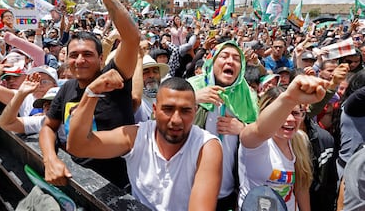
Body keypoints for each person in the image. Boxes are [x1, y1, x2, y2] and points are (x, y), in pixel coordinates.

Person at [39, 0, 140, 188]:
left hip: (118, 188)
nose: (79, 60)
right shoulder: (66, 90)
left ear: (101, 59)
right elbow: (48, 127)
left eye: (87, 54)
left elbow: (132, 38)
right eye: (73, 55)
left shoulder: (114, 78)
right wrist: (50, 159)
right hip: (76, 183)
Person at [67, 75, 222, 210]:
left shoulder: (206, 146)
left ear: (195, 111)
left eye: (185, 111)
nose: (176, 120)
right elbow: (78, 146)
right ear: (154, 110)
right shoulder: (137, 136)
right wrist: (91, 92)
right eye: (168, 109)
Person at [238, 75, 330, 211]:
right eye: (284, 113)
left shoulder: (300, 140)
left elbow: (301, 188)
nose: (291, 119)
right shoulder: (254, 142)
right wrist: (289, 98)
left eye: (296, 113)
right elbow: (259, 129)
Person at [188, 40, 259, 210]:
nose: (230, 61)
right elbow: (160, 118)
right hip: (189, 188)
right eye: (224, 56)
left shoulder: (248, 95)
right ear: (212, 61)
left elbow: (261, 136)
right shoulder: (191, 86)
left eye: (236, 58)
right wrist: (193, 99)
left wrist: (243, 129)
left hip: (229, 191)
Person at [133, 54, 169, 123]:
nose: (152, 75)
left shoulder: (166, 98)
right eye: (145, 72)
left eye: (155, 71)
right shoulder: (134, 102)